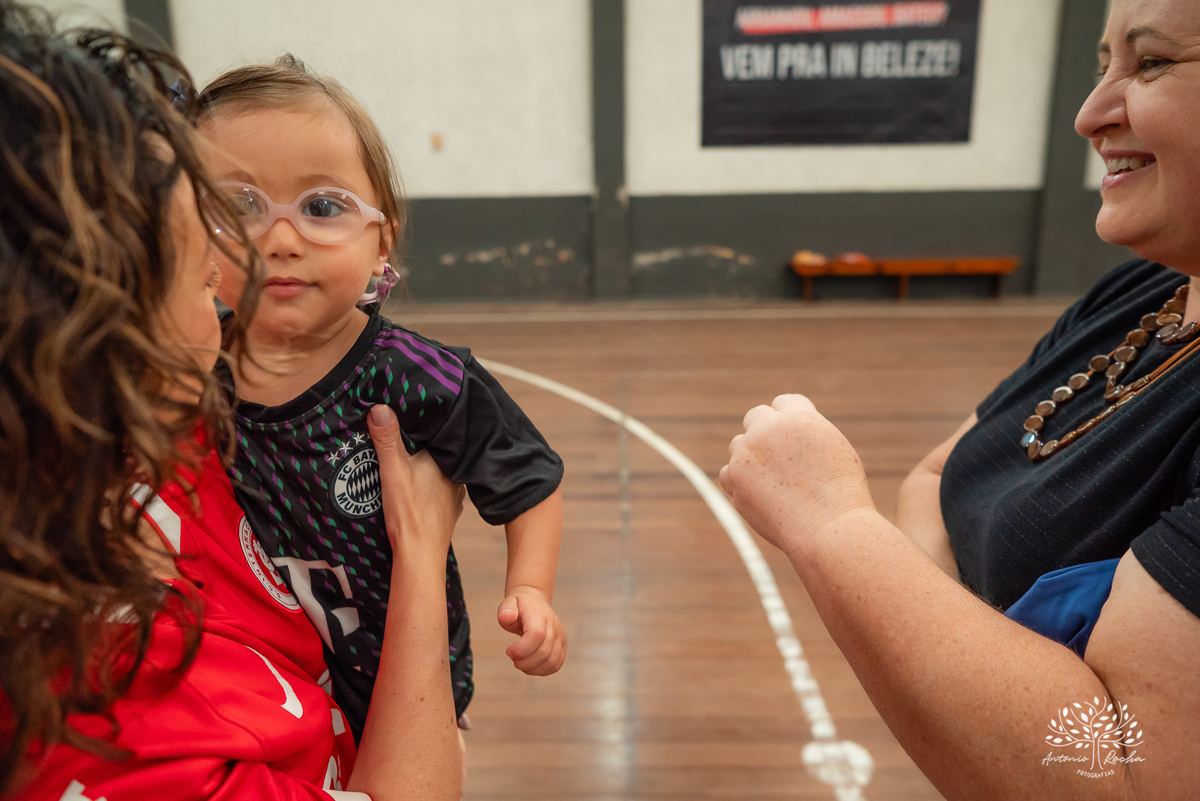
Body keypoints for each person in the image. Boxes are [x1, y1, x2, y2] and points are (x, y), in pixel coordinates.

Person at [720, 0, 1200, 797]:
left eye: (1150, 64)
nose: (1089, 115)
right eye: (1102, 65)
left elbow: (1122, 773)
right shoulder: (1140, 294)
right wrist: (975, 678)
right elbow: (937, 478)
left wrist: (832, 525)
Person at [0, 3, 461, 799]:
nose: (222, 298)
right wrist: (420, 559)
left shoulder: (148, 436)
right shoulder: (115, 744)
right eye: (195, 274)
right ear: (98, 342)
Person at [191, 58, 568, 747]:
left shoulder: (415, 375)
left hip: (404, 680)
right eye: (240, 206)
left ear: (380, 242)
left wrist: (531, 589)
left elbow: (529, 479)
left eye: (322, 207)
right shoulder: (188, 368)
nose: (280, 240)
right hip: (267, 685)